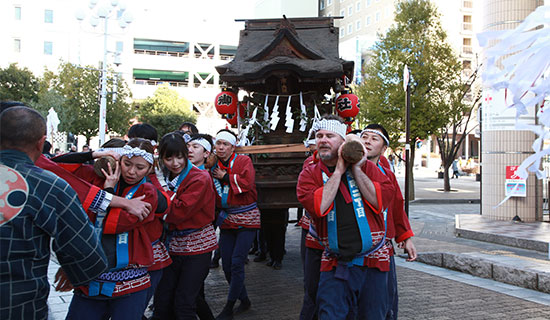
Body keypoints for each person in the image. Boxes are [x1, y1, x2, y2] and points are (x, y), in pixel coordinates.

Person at [0, 106, 108, 320]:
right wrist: (73, 269)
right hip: (19, 305)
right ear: (41, 142)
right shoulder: (50, 186)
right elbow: (89, 258)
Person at [296, 115, 395, 320]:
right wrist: (339, 170)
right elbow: (319, 207)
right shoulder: (310, 173)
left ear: (342, 142)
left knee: (373, 315)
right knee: (329, 314)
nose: (323, 140)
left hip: (373, 261)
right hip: (334, 262)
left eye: (330, 136)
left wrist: (357, 168)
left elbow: (381, 201)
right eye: (319, 135)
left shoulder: (367, 167)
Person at [64, 138, 161, 320]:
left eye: (140, 167)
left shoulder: (148, 192)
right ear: (118, 160)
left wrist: (107, 192)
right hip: (92, 274)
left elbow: (115, 224)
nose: (131, 171)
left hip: (130, 279)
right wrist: (93, 154)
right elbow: (54, 164)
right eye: (127, 164)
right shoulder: (97, 177)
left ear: (150, 169)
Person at [152, 132, 217, 319]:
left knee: (184, 302)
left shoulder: (200, 178)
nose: (175, 163)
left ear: (186, 153)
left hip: (197, 246)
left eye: (179, 157)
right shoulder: (164, 175)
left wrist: (159, 187)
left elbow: (177, 212)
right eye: (168, 158)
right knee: (163, 301)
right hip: (171, 246)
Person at [361, 124, 417, 319]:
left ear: (384, 149)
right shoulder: (344, 169)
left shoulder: (387, 173)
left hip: (381, 249)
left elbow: (396, 206)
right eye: (364, 136)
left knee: (384, 302)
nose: (367, 141)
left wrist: (405, 236)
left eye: (374, 139)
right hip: (351, 249)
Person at [211, 129, 260, 320]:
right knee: (227, 266)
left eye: (225, 144)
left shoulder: (243, 161)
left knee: (237, 262)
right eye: (218, 144)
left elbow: (247, 183)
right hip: (227, 218)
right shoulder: (212, 164)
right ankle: (244, 299)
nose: (221, 147)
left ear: (233, 147)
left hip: (247, 217)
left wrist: (225, 177)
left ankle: (229, 306)